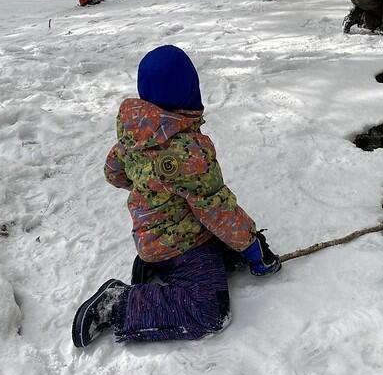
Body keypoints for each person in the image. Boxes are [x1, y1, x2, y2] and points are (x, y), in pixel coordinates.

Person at [72, 45, 281, 348]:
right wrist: (251, 245)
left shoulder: (134, 135)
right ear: (188, 92)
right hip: (183, 247)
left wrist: (149, 184)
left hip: (152, 239)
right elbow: (215, 206)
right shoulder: (188, 150)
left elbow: (113, 173)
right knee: (209, 312)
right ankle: (117, 304)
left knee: (213, 241)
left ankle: (158, 265)